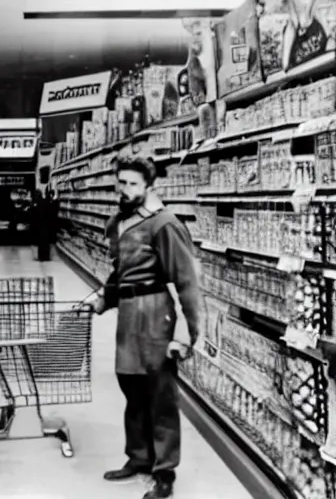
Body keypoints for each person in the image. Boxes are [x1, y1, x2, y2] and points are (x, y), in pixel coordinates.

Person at [85, 156, 200, 499]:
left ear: (150, 186)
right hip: (130, 316)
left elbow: (187, 282)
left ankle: (164, 472)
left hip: (155, 316)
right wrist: (101, 300)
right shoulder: (120, 222)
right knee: (132, 390)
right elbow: (120, 273)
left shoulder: (164, 224)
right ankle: (138, 458)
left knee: (160, 396)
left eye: (133, 184)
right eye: (121, 182)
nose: (125, 189)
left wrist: (184, 335)